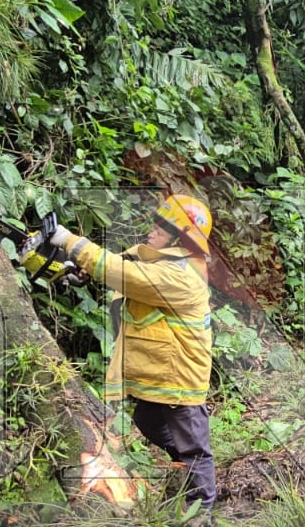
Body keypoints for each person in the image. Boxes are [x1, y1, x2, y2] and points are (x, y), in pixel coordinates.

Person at [47, 194, 218, 509]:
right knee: (148, 419)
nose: (152, 230)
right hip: (163, 373)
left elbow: (123, 273)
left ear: (181, 237)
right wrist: (83, 269)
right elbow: (124, 263)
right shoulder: (163, 260)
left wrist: (69, 240)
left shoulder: (181, 275)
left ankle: (201, 518)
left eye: (163, 227)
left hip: (180, 378)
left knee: (194, 449)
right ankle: (184, 472)